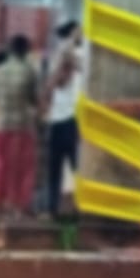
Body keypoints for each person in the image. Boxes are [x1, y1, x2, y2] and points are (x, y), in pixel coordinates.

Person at [0, 34, 40, 218]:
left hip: (2, 125)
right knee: (21, 169)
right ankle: (17, 207)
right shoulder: (29, 71)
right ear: (25, 51)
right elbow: (34, 99)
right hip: (23, 126)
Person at [44, 20, 83, 217]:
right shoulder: (61, 56)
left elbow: (61, 79)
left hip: (72, 118)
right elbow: (54, 84)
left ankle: (81, 205)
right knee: (56, 167)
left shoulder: (78, 56)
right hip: (58, 118)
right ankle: (53, 207)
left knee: (77, 166)